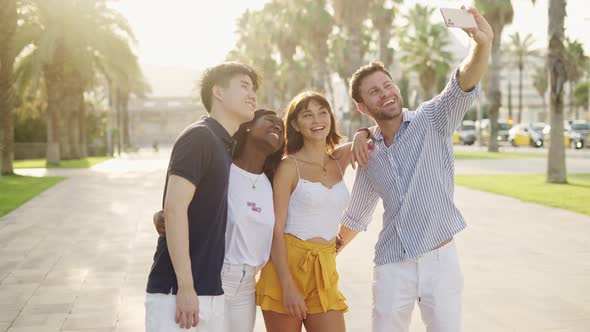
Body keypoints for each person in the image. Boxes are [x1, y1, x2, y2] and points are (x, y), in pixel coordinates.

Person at [338, 7, 493, 332]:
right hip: (393, 264)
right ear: (363, 107)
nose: (386, 93)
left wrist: (482, 45)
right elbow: (356, 215)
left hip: (441, 261)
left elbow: (463, 81)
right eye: (375, 92)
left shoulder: (433, 118)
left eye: (388, 84)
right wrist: (324, 253)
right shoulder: (368, 151)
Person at [145, 62, 260, 332]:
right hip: (177, 292)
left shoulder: (222, 144)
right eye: (244, 86)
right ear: (218, 92)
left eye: (254, 89)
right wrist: (186, 287)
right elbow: (174, 209)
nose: (252, 94)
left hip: (209, 289)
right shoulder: (200, 136)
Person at [153, 109, 285, 332]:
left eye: (281, 129)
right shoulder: (223, 167)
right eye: (271, 121)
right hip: (214, 276)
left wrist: (362, 134)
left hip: (247, 286)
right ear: (248, 126)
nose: (278, 128)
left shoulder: (273, 180)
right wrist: (161, 216)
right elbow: (181, 203)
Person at [256, 91, 353, 332]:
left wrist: (361, 134)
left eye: (322, 113)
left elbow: (377, 133)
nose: (317, 120)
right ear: (295, 125)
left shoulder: (339, 160)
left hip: (325, 267)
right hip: (286, 268)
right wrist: (287, 285)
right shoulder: (289, 167)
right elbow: (275, 229)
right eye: (307, 115)